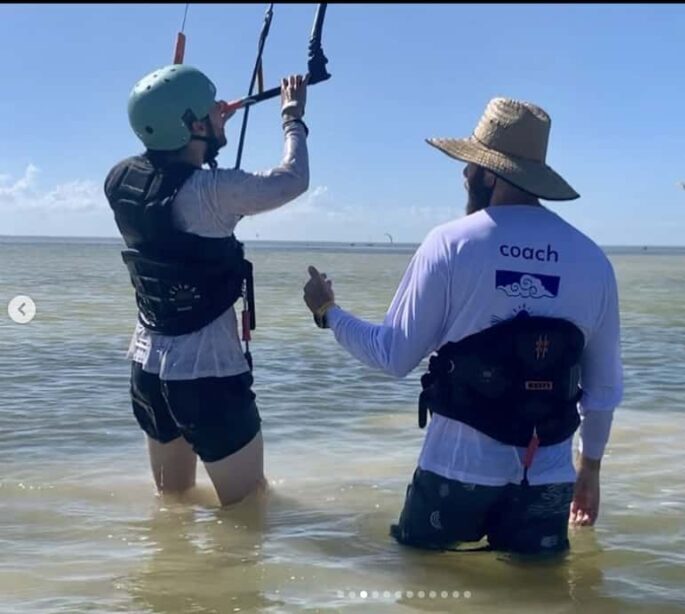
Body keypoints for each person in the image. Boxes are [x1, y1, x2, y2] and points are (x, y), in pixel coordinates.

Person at [303, 98, 623, 554]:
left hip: (456, 470)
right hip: (548, 476)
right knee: (540, 600)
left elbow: (391, 355)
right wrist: (589, 469)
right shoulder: (592, 260)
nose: (464, 175)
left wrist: (328, 312)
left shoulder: (450, 244)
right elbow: (604, 387)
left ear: (490, 174)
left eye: (470, 165)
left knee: (426, 593)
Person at [104, 64, 310, 506]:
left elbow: (162, 168)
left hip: (147, 370)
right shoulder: (214, 192)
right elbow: (293, 179)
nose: (222, 113)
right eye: (212, 113)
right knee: (249, 508)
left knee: (172, 501)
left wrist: (203, 128)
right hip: (208, 377)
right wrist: (293, 118)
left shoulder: (118, 181)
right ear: (193, 125)